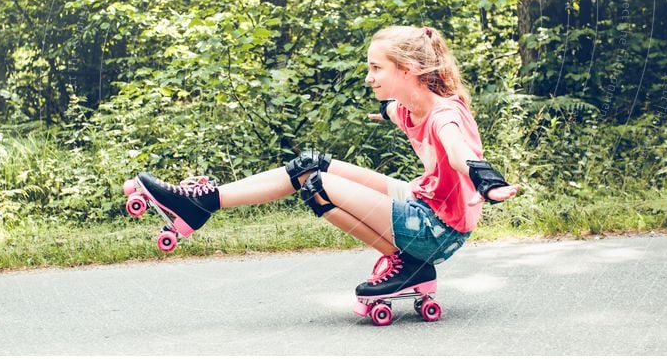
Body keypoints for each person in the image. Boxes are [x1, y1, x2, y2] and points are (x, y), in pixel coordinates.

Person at [125, 25, 519, 297]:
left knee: (318, 186)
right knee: (308, 165)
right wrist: (384, 113)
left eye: (376, 68)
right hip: (425, 200)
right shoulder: (408, 107)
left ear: (408, 71)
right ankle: (201, 204)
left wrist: (486, 180)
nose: (369, 77)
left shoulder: (444, 115)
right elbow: (397, 113)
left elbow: (459, 152)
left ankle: (410, 263)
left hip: (439, 227)